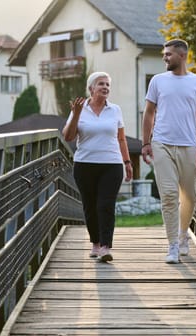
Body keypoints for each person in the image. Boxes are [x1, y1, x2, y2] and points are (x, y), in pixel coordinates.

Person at [141, 39, 196, 264]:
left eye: (168, 54)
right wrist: (146, 142)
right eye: (164, 54)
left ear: (182, 55)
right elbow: (149, 113)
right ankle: (172, 245)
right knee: (169, 196)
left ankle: (183, 235)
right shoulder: (158, 81)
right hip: (161, 143)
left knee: (190, 196)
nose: (164, 58)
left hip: (189, 145)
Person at [62, 71, 133, 262]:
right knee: (90, 206)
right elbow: (68, 137)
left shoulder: (115, 110)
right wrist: (76, 114)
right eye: (101, 84)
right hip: (84, 164)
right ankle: (95, 242)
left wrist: (127, 162)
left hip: (112, 164)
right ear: (91, 88)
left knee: (105, 205)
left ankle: (105, 246)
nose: (105, 87)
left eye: (107, 85)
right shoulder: (79, 108)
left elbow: (121, 138)